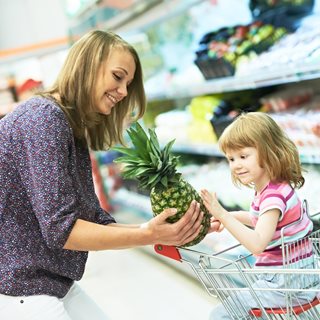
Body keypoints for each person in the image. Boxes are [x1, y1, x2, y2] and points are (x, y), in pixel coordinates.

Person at [0, 30, 204, 320]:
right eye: (118, 76)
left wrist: (159, 229)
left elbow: (91, 217)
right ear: (89, 64)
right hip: (19, 289)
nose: (122, 92)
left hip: (48, 281)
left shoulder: (67, 124)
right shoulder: (43, 119)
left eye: (128, 84)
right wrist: (148, 234)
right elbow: (63, 230)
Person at [200, 112, 317, 320]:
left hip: (285, 286)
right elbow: (260, 218)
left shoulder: (273, 197)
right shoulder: (275, 188)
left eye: (243, 156)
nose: (236, 164)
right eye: (231, 159)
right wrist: (231, 216)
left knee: (220, 314)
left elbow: (257, 244)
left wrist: (223, 214)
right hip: (298, 278)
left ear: (268, 152)